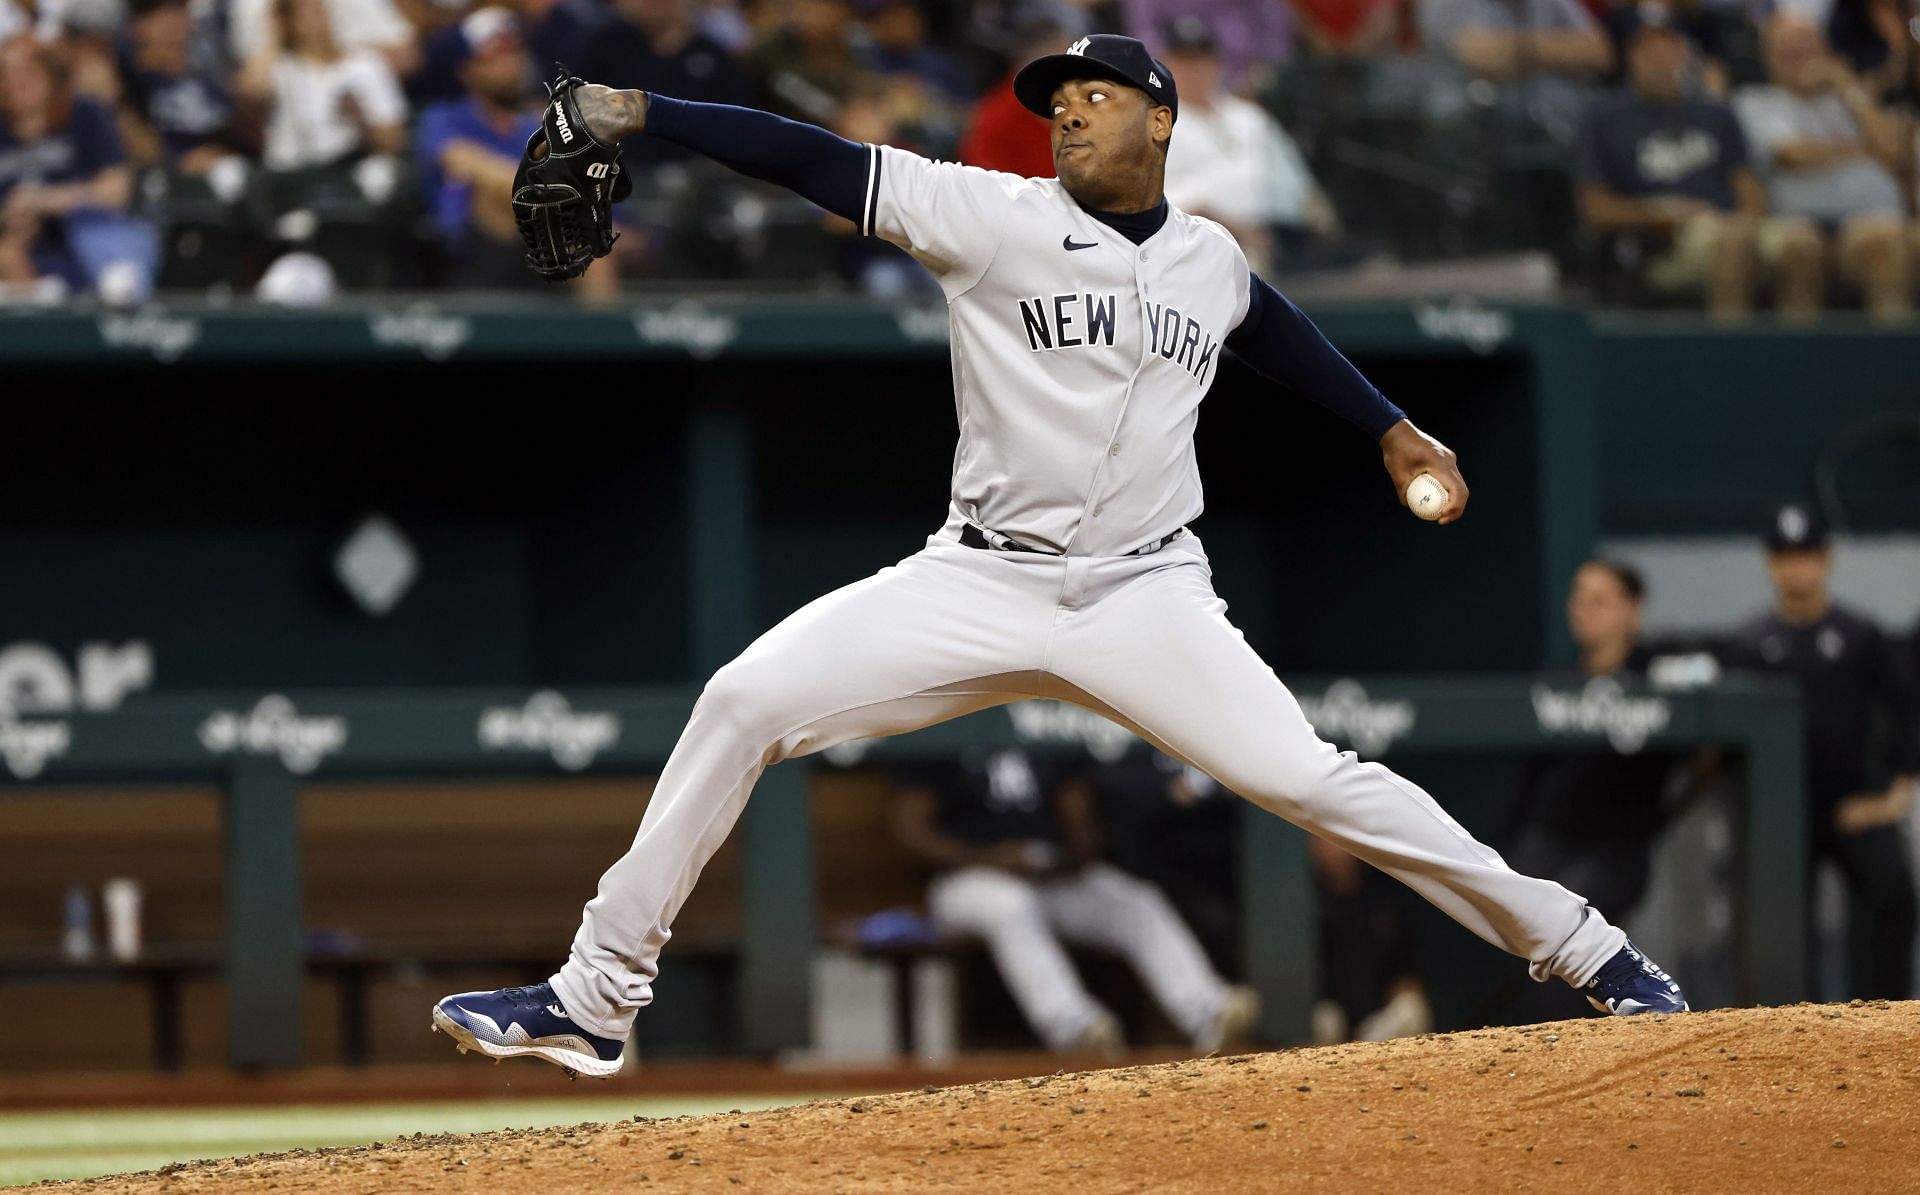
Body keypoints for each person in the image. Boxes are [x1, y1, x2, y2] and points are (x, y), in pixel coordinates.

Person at [428, 33, 1689, 1080]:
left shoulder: (1209, 258)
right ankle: (595, 998)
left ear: (1162, 120)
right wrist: (643, 111)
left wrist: (1391, 428)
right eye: (1056, 103)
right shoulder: (990, 213)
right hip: (977, 578)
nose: (1067, 117)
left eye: (1095, 98)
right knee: (743, 700)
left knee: (1314, 780)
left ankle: (1589, 953)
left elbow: (1276, 332)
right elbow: (816, 159)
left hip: (1148, 594)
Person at [891, 747, 1258, 1054]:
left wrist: (1071, 856)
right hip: (965, 880)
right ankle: (1074, 1028)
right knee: (1009, 904)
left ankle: (1207, 1009)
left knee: (1132, 901)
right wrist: (989, 858)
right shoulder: (951, 722)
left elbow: (1080, 817)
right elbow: (911, 830)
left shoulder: (1037, 716)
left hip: (1046, 874)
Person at [1717, 504, 1918, 1000]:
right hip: (1781, 814)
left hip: (1856, 803)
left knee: (1895, 892)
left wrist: (1895, 797)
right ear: (1769, 563)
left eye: (1806, 555)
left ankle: (1889, 1020)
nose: (1795, 567)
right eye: (1784, 556)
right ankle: (1783, 1027)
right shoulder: (1748, 643)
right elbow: (1724, 739)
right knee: (1774, 921)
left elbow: (1907, 711)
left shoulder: (1859, 633)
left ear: (1826, 559)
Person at [1575, 8, 1824, 317]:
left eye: (1670, 47)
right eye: (1649, 48)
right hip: (1663, 242)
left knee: (1802, 243)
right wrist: (1658, 213)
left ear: (1684, 54)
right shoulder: (1603, 117)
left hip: (1730, 225)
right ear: (1631, 55)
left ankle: (1800, 357)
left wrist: (1751, 222)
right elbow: (1594, 209)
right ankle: (1729, 359)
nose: (1661, 57)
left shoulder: (1714, 113)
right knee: (1733, 243)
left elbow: (1746, 186)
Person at [1733, 13, 1912, 317]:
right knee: (1802, 246)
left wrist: (1847, 86)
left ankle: (1891, 359)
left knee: (1886, 240)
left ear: (1826, 51)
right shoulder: (1757, 101)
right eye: (1787, 47)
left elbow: (1895, 154)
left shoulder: (1852, 101)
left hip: (1870, 222)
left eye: (1806, 45)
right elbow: (1794, 155)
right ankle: (1799, 359)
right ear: (1768, 56)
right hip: (1799, 220)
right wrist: (1868, 151)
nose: (1798, 54)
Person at [1157, 17, 1339, 275]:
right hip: (1199, 246)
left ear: (1217, 64)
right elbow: (1158, 204)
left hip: (1281, 237)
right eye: (1183, 61)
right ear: (1165, 64)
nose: (1193, 71)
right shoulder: (1154, 125)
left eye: (1200, 60)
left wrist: (1321, 224)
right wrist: (1235, 230)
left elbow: (1300, 188)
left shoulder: (1250, 117)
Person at [0, 34, 157, 302]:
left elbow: (116, 190)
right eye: (6, 74)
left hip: (88, 245)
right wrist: (9, 219)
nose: (17, 82)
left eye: (27, 71)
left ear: (50, 74)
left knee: (97, 229)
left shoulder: (83, 114)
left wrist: (44, 201)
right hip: (22, 254)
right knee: (7, 253)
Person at [415, 7, 541, 289]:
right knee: (494, 198)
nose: (510, 65)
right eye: (496, 56)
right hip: (467, 246)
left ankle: (604, 329)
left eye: (514, 53)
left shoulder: (534, 125)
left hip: (546, 241)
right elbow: (463, 160)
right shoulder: (444, 117)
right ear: (467, 70)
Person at [238, 0, 408, 173]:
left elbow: (393, 142)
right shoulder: (280, 69)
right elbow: (250, 92)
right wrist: (274, 34)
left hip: (350, 167)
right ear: (288, 23)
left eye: (319, 10)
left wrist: (361, 119)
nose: (316, 19)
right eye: (304, 14)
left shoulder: (366, 65)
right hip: (290, 176)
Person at [1310, 836, 1431, 1044]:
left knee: (1410, 1010)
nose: (1331, 852)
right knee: (1326, 1019)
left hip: (1380, 1021)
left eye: (1335, 842)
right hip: (1337, 1019)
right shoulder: (1310, 904)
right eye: (1322, 843)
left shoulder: (1385, 898)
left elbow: (1407, 976)